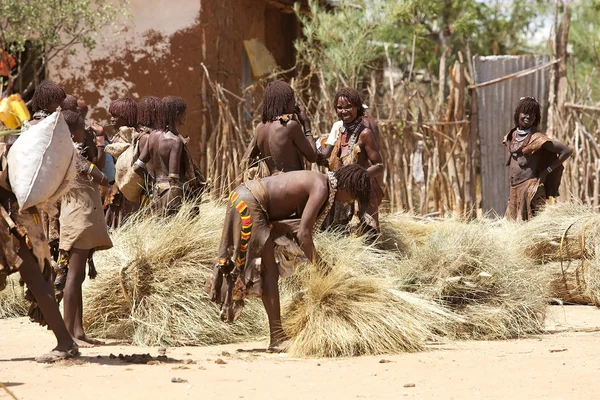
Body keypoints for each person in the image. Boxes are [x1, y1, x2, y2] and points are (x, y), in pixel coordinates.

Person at [205, 164, 371, 351]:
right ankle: (277, 339)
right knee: (269, 273)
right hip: (250, 203)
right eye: (351, 199)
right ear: (348, 187)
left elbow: (290, 220)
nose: (347, 202)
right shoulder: (321, 188)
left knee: (270, 271)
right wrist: (323, 269)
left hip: (242, 196)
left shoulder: (319, 180)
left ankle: (277, 336)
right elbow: (304, 236)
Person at [0, 137, 78, 363]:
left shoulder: (7, 151)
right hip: (20, 220)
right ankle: (65, 340)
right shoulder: (10, 147)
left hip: (13, 225)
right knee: (37, 279)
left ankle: (65, 341)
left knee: (36, 279)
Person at [52, 111, 113, 348]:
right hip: (79, 217)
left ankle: (78, 330)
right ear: (74, 131)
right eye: (82, 128)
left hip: (75, 215)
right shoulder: (74, 156)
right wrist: (98, 143)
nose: (85, 130)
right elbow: (103, 177)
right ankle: (69, 333)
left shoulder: (64, 152)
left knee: (77, 277)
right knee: (74, 276)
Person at [320, 88, 384, 239]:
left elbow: (379, 166)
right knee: (335, 235)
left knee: (368, 239)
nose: (344, 111)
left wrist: (357, 177)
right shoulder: (341, 131)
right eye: (339, 107)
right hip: (341, 193)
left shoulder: (365, 133)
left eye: (348, 107)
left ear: (357, 108)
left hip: (362, 192)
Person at [241, 80, 328, 179]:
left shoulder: (260, 128)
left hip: (270, 184)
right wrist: (306, 124)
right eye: (293, 99)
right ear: (286, 102)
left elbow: (245, 161)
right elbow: (312, 157)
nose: (295, 103)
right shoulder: (290, 126)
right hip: (291, 182)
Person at [504, 96, 572, 221]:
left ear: (536, 118)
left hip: (531, 189)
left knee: (532, 225)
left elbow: (566, 151)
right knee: (513, 228)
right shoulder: (512, 136)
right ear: (518, 113)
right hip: (514, 190)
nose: (528, 117)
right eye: (525, 112)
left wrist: (546, 171)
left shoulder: (538, 138)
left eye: (532, 114)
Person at [134, 96, 204, 214]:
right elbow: (173, 177)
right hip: (174, 195)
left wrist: (152, 183)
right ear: (177, 114)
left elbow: (137, 167)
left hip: (157, 192)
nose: (186, 116)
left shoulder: (152, 136)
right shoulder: (175, 141)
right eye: (184, 113)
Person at [104, 97, 139, 229]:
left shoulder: (135, 137)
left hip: (129, 189)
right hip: (117, 189)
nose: (112, 119)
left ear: (126, 117)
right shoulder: (119, 136)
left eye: (115, 116)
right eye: (111, 116)